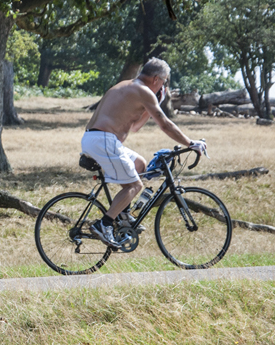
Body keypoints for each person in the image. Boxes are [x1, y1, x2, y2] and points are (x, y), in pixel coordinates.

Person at [81, 58, 207, 248]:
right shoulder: (143, 90)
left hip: (96, 138)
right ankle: (104, 224)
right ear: (156, 79)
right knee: (134, 185)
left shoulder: (127, 85)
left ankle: (123, 215)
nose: (163, 86)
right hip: (104, 140)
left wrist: (156, 102)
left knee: (139, 163)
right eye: (164, 82)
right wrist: (190, 143)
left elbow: (135, 127)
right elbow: (165, 124)